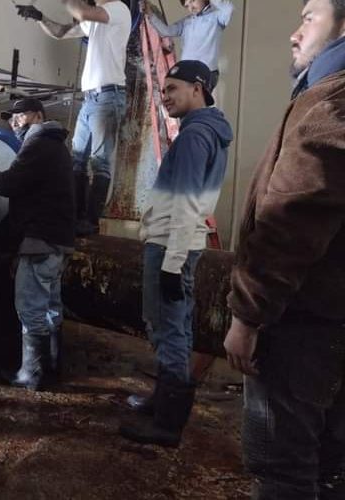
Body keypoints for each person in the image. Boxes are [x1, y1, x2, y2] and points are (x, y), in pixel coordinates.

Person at [223, 0, 345, 497]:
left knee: (282, 471)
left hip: (301, 326)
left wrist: (247, 316)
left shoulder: (331, 103)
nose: (295, 33)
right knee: (329, 466)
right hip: (329, 322)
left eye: (309, 17)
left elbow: (290, 219)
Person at [119, 60, 232, 448]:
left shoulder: (194, 136)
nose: (165, 97)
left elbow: (186, 206)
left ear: (198, 88)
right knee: (174, 327)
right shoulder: (205, 132)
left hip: (171, 245)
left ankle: (167, 424)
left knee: (169, 329)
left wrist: (171, 263)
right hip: (176, 244)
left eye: (172, 89)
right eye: (163, 91)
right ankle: (163, 402)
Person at [0, 98, 75, 391]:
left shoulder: (38, 143)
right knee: (51, 307)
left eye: (20, 116)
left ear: (37, 116)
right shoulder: (57, 146)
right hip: (59, 240)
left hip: (40, 240)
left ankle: (32, 374)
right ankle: (52, 368)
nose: (14, 122)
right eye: (11, 118)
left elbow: (9, 184)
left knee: (30, 308)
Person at [16, 0, 131, 236]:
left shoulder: (118, 8)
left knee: (100, 162)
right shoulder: (96, 21)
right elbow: (61, 32)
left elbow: (83, 11)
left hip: (109, 95)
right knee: (77, 159)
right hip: (91, 100)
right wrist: (39, 17)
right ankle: (76, 217)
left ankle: (90, 221)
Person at [143, 0, 234, 89]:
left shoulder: (217, 17)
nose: (191, 8)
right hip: (187, 73)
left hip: (206, 72)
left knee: (197, 102)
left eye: (193, 1)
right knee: (185, 102)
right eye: (187, 6)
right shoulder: (187, 22)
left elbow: (228, 8)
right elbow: (166, 31)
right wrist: (150, 14)